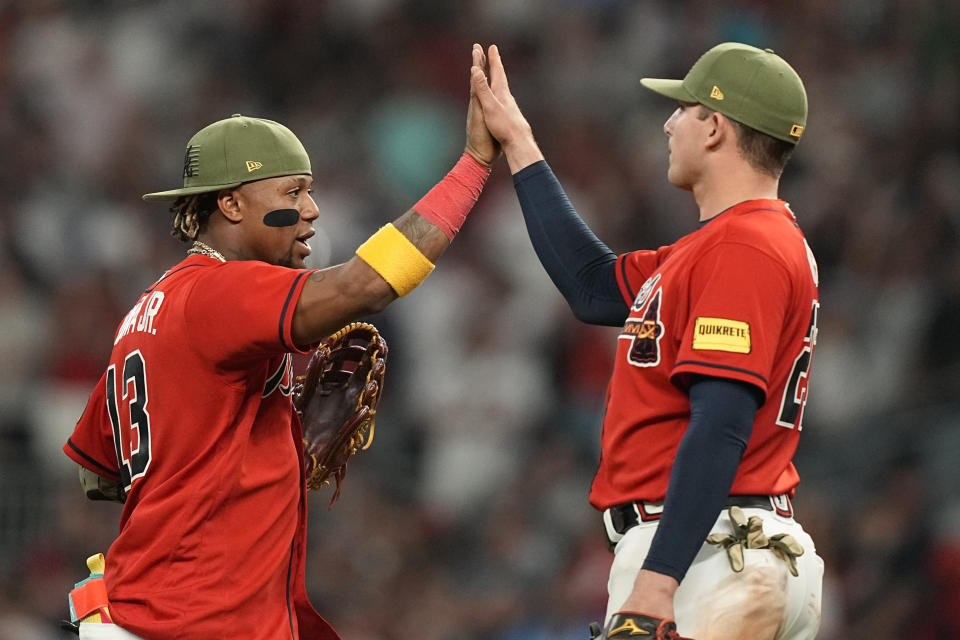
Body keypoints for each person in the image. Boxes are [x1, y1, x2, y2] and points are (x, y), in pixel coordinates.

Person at [61, 45, 499, 640]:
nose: (313, 210)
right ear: (232, 203)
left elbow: (103, 475)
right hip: (195, 621)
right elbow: (367, 285)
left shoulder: (147, 309)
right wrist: (473, 164)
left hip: (152, 610)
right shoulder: (221, 295)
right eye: (292, 193)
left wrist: (264, 447)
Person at [471, 43, 823, 639]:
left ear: (714, 127)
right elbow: (592, 287)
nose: (668, 122)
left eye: (682, 109)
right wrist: (518, 142)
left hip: (709, 557)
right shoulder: (722, 245)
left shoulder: (744, 247)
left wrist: (659, 581)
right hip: (728, 551)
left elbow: (721, 421)